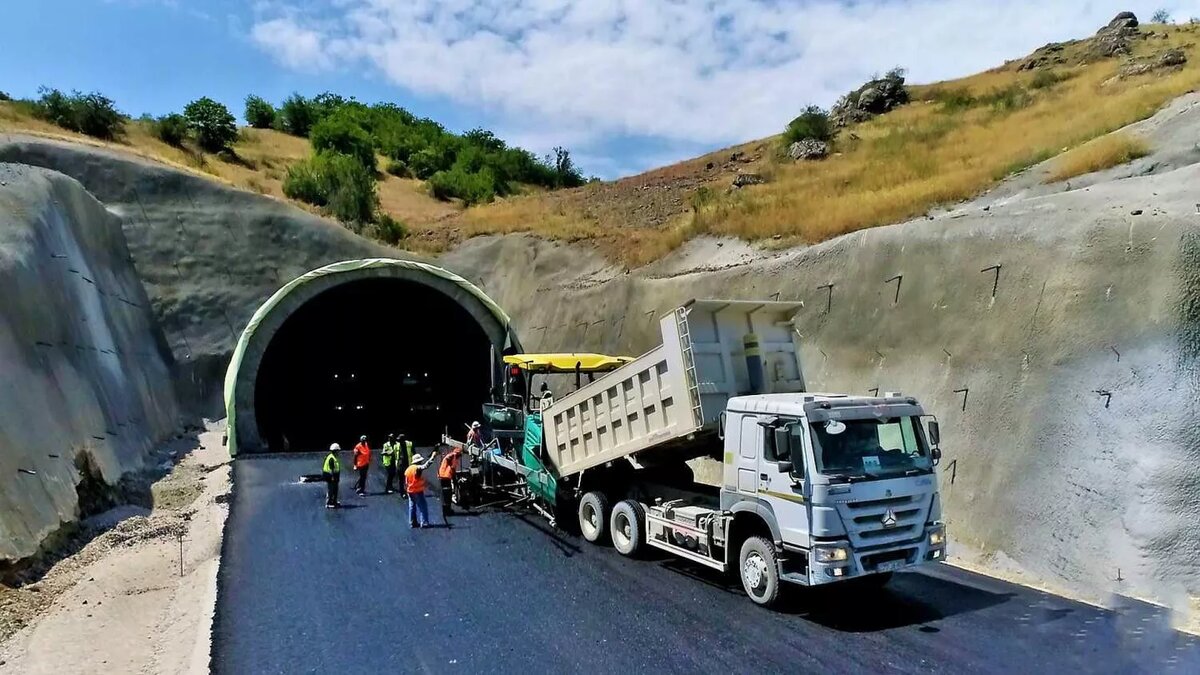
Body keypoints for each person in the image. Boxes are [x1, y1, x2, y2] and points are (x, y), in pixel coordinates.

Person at [404, 450, 439, 528]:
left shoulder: (408, 469)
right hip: (417, 491)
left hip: (410, 491)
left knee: (412, 507)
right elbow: (425, 466)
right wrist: (432, 457)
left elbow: (406, 482)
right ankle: (424, 523)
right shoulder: (417, 468)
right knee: (423, 506)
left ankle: (412, 523)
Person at [437, 445, 463, 519]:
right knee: (447, 494)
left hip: (442, 476)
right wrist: (455, 480)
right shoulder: (454, 456)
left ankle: (445, 510)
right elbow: (453, 468)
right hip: (446, 476)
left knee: (444, 494)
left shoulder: (450, 455)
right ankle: (447, 511)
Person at [322, 443, 341, 508]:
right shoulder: (331, 458)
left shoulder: (333, 457)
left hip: (334, 476)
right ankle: (328, 503)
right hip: (330, 476)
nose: (339, 452)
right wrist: (333, 477)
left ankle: (334, 501)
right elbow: (332, 468)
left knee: (335, 489)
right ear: (335, 451)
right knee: (331, 489)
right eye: (338, 450)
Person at [396, 434, 413, 499]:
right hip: (400, 465)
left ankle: (409, 491)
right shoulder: (397, 445)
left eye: (400, 440)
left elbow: (414, 453)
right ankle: (402, 493)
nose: (399, 441)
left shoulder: (409, 444)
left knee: (409, 479)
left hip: (408, 464)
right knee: (401, 480)